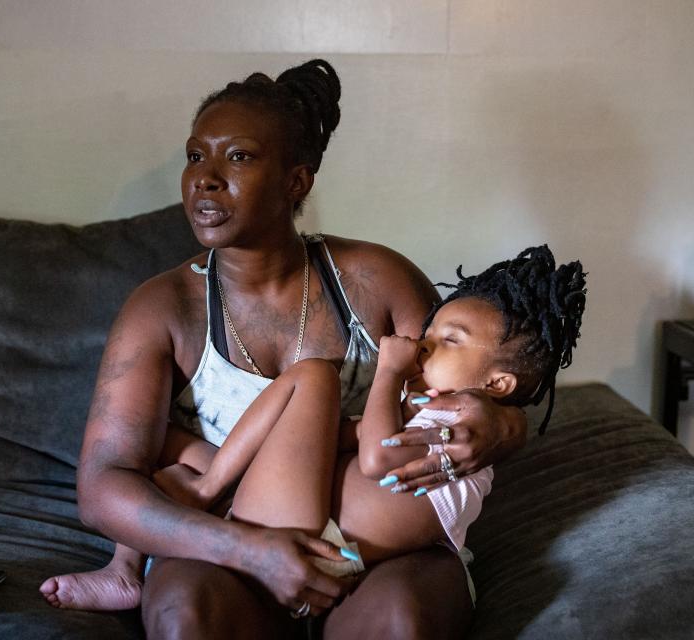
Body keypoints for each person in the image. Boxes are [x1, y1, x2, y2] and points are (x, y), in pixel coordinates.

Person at [41, 59, 531, 639]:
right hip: (226, 545)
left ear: (296, 182)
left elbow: (477, 378)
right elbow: (104, 487)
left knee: (404, 620)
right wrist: (249, 549)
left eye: (239, 157)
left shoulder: (378, 280)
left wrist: (504, 428)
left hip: (374, 545)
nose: (206, 177)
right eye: (196, 155)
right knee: (186, 614)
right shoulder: (161, 308)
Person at [42, 245, 586, 615]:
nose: (423, 343)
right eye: (432, 331)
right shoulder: (435, 408)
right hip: (314, 522)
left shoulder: (458, 421)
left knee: (313, 377)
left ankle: (188, 505)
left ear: (498, 384)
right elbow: (349, 441)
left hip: (317, 543)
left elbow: (375, 460)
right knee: (175, 446)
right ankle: (140, 549)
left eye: (450, 340)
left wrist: (391, 375)